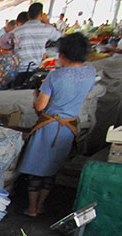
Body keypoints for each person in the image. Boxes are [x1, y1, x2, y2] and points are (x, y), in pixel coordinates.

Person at [17, 33, 95, 217]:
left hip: (49, 127)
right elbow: (84, 98)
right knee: (52, 169)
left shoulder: (55, 76)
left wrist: (38, 95)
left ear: (62, 55)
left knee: (37, 168)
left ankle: (32, 208)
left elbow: (40, 106)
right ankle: (42, 205)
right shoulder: (90, 73)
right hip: (69, 128)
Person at [10, 2, 61, 80]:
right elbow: (62, 38)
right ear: (41, 15)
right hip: (38, 71)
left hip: (20, 71)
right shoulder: (47, 29)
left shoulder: (16, 31)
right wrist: (47, 22)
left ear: (28, 15)